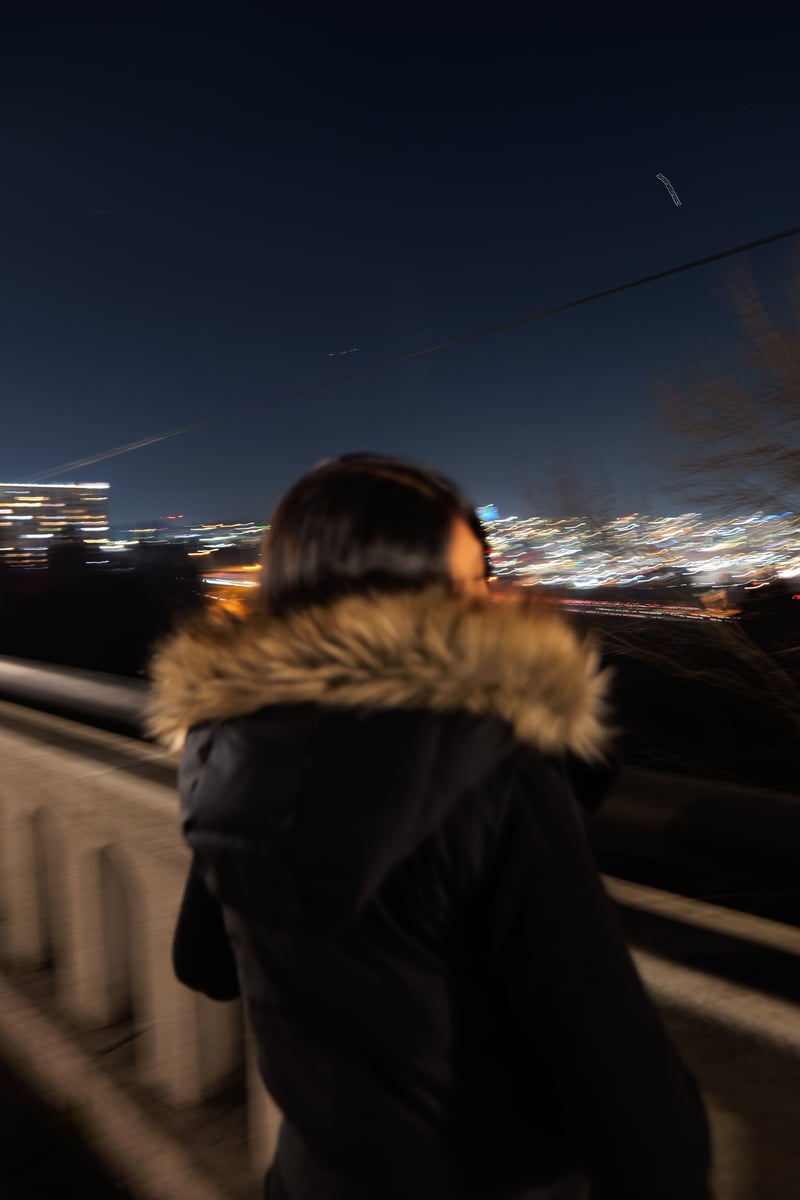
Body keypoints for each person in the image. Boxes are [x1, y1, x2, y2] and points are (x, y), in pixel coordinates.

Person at [148, 453, 712, 1200]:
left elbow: (204, 961)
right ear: (401, 597)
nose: (493, 602)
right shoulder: (489, 765)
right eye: (469, 583)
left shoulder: (227, 746)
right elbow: (621, 1075)